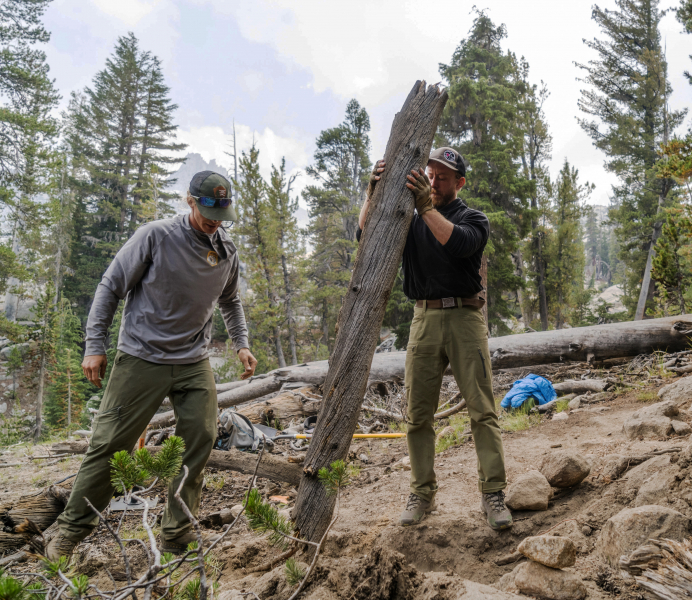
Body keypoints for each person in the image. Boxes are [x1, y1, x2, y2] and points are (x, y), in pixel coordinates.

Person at [47, 171, 258, 559]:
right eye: (208, 210)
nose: (215, 220)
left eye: (222, 212)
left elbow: (230, 301)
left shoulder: (226, 249)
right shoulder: (156, 235)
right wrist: (94, 345)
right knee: (111, 442)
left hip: (194, 359)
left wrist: (241, 344)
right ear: (190, 201)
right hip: (142, 356)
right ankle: (68, 529)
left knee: (200, 435)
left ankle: (177, 532)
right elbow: (110, 286)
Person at [357, 148, 511, 530]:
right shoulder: (407, 221)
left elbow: (457, 243)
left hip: (465, 317)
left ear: (459, 182)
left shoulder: (473, 218)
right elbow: (365, 235)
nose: (435, 181)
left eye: (443, 177)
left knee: (482, 410)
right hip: (423, 318)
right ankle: (422, 493)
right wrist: (371, 195)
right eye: (432, 173)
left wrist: (425, 206)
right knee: (417, 414)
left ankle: (492, 494)